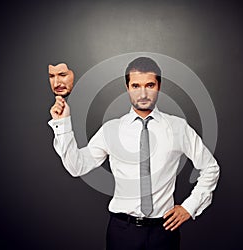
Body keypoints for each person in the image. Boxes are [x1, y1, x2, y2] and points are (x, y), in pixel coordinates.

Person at [48, 57, 220, 250]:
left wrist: (190, 207)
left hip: (164, 231)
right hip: (123, 233)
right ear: (128, 87)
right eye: (136, 85)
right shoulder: (111, 130)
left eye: (150, 85)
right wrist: (62, 125)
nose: (143, 93)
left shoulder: (178, 127)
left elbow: (210, 167)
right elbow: (76, 166)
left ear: (159, 86)